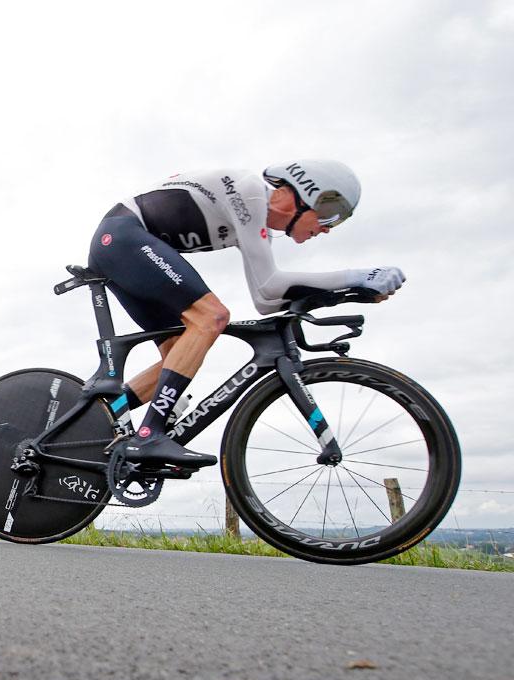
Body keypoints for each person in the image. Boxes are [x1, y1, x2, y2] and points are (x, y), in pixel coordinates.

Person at [88, 159, 405, 467]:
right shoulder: (250, 192)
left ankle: (92, 422)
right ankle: (149, 435)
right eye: (330, 216)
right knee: (211, 317)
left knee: (180, 354)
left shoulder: (250, 217)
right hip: (122, 237)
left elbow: (266, 302)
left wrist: (346, 294)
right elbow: (269, 289)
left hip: (123, 245)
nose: (328, 229)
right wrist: (355, 276)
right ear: (308, 194)